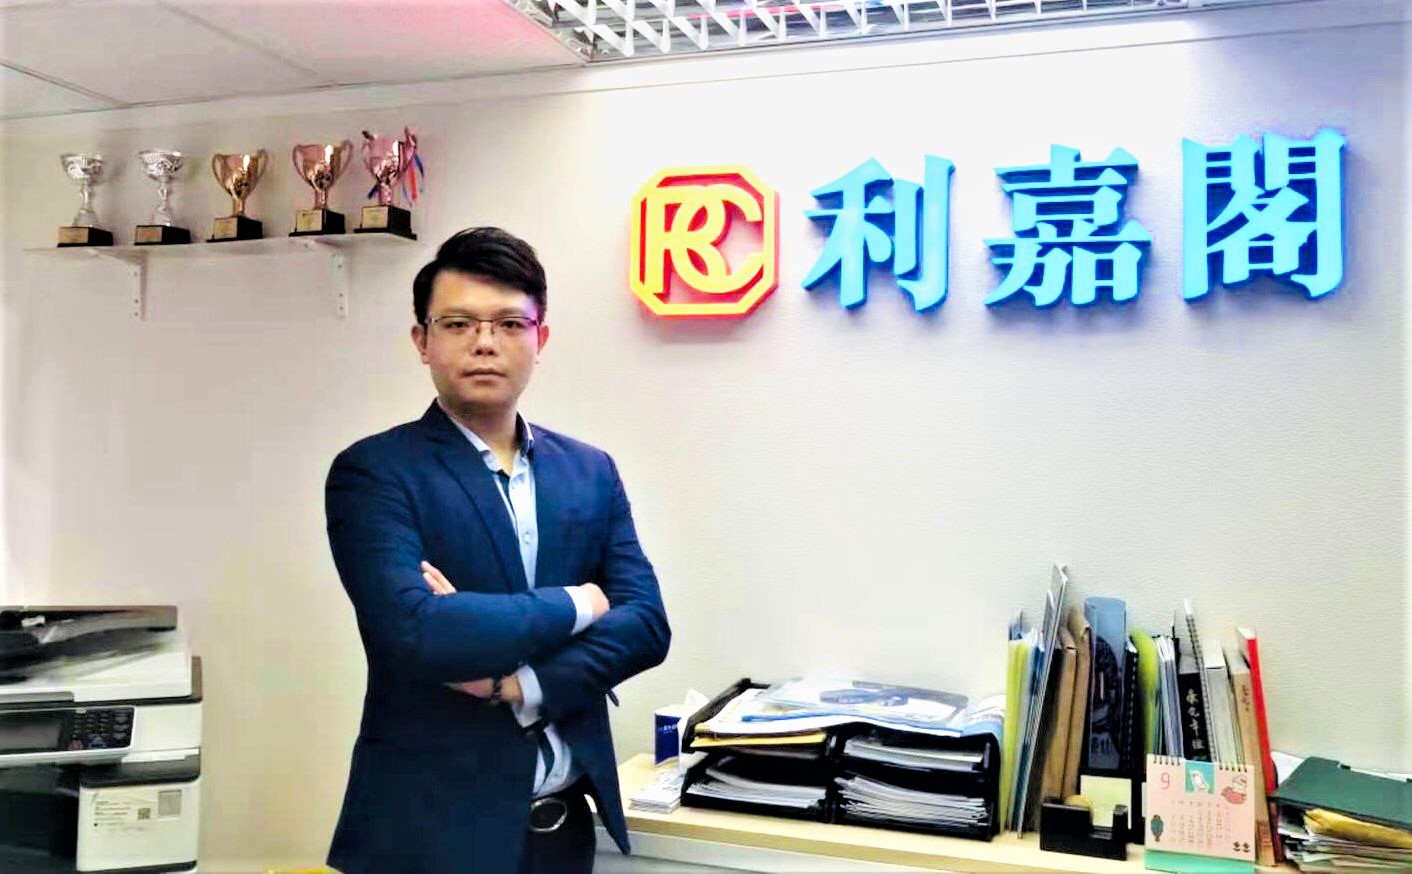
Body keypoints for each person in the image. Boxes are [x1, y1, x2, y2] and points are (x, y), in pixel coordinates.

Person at [323, 227, 671, 873]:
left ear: (541, 339)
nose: (485, 342)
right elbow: (418, 633)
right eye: (458, 324)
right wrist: (581, 603)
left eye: (510, 323)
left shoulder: (589, 471)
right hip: (428, 839)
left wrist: (519, 684)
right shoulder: (376, 472)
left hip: (564, 832)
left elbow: (648, 626)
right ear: (422, 341)